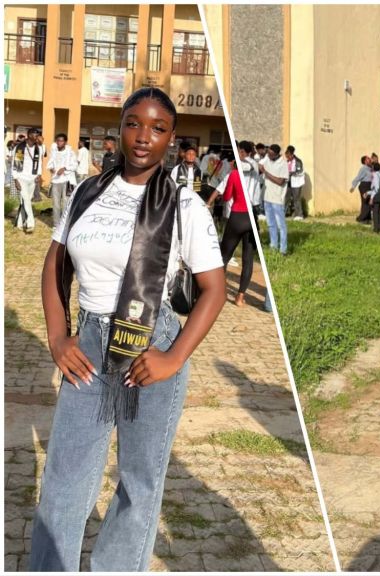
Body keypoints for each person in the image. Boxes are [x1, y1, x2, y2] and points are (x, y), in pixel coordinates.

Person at [30, 86, 226, 571]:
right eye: (134, 123)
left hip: (150, 348)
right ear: (120, 128)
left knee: (138, 483)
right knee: (65, 478)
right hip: (91, 346)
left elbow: (214, 289)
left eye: (158, 128)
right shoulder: (87, 192)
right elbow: (55, 264)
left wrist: (174, 357)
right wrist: (58, 337)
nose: (143, 137)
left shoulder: (186, 206)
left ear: (172, 139)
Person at [210, 162, 256, 307]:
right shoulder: (255, 174)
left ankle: (218, 292)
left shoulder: (234, 174)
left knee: (224, 255)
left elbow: (227, 196)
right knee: (248, 260)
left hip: (237, 216)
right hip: (252, 218)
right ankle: (240, 297)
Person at [11, 128, 44, 233]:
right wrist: (15, 179)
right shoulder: (20, 147)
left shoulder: (38, 148)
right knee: (26, 200)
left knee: (25, 201)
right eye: (35, 133)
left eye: (38, 134)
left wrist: (39, 174)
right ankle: (30, 223)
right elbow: (14, 164)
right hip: (22, 178)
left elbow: (39, 163)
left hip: (33, 178)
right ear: (29, 135)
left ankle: (20, 222)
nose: (37, 135)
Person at [260, 143, 290, 255]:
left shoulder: (283, 164)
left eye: (272, 154)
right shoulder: (267, 159)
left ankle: (283, 249)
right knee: (270, 224)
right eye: (268, 153)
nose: (269, 156)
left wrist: (266, 173)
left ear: (277, 154)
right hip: (267, 197)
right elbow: (259, 165)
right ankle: (273, 246)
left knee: (281, 225)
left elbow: (280, 181)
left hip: (277, 199)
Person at [47, 133, 78, 223]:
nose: (59, 143)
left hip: (66, 180)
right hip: (56, 181)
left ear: (65, 142)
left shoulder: (70, 152)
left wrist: (64, 168)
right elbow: (50, 163)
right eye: (57, 141)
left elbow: (75, 165)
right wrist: (51, 168)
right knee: (56, 204)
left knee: (66, 203)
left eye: (61, 141)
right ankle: (56, 224)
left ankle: (64, 223)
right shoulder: (53, 152)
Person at [284, 145, 306, 220]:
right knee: (286, 197)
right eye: (286, 156)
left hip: (296, 183)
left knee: (296, 198)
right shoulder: (287, 162)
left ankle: (299, 215)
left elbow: (299, 171)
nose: (287, 158)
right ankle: (284, 213)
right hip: (289, 182)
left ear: (292, 155)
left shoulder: (298, 161)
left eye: (288, 156)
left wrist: (291, 173)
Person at [350, 155, 374, 223]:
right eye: (368, 159)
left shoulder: (370, 168)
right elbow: (358, 177)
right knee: (365, 202)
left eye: (369, 158)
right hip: (364, 186)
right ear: (365, 161)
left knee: (369, 203)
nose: (370, 160)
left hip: (369, 186)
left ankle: (368, 218)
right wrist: (353, 186)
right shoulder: (363, 168)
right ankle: (361, 218)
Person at [367, 161, 380, 233]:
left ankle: (376, 230)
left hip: (377, 195)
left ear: (373, 168)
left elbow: (376, 188)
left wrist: (371, 198)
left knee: (375, 213)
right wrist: (367, 193)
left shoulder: (375, 175)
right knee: (379, 213)